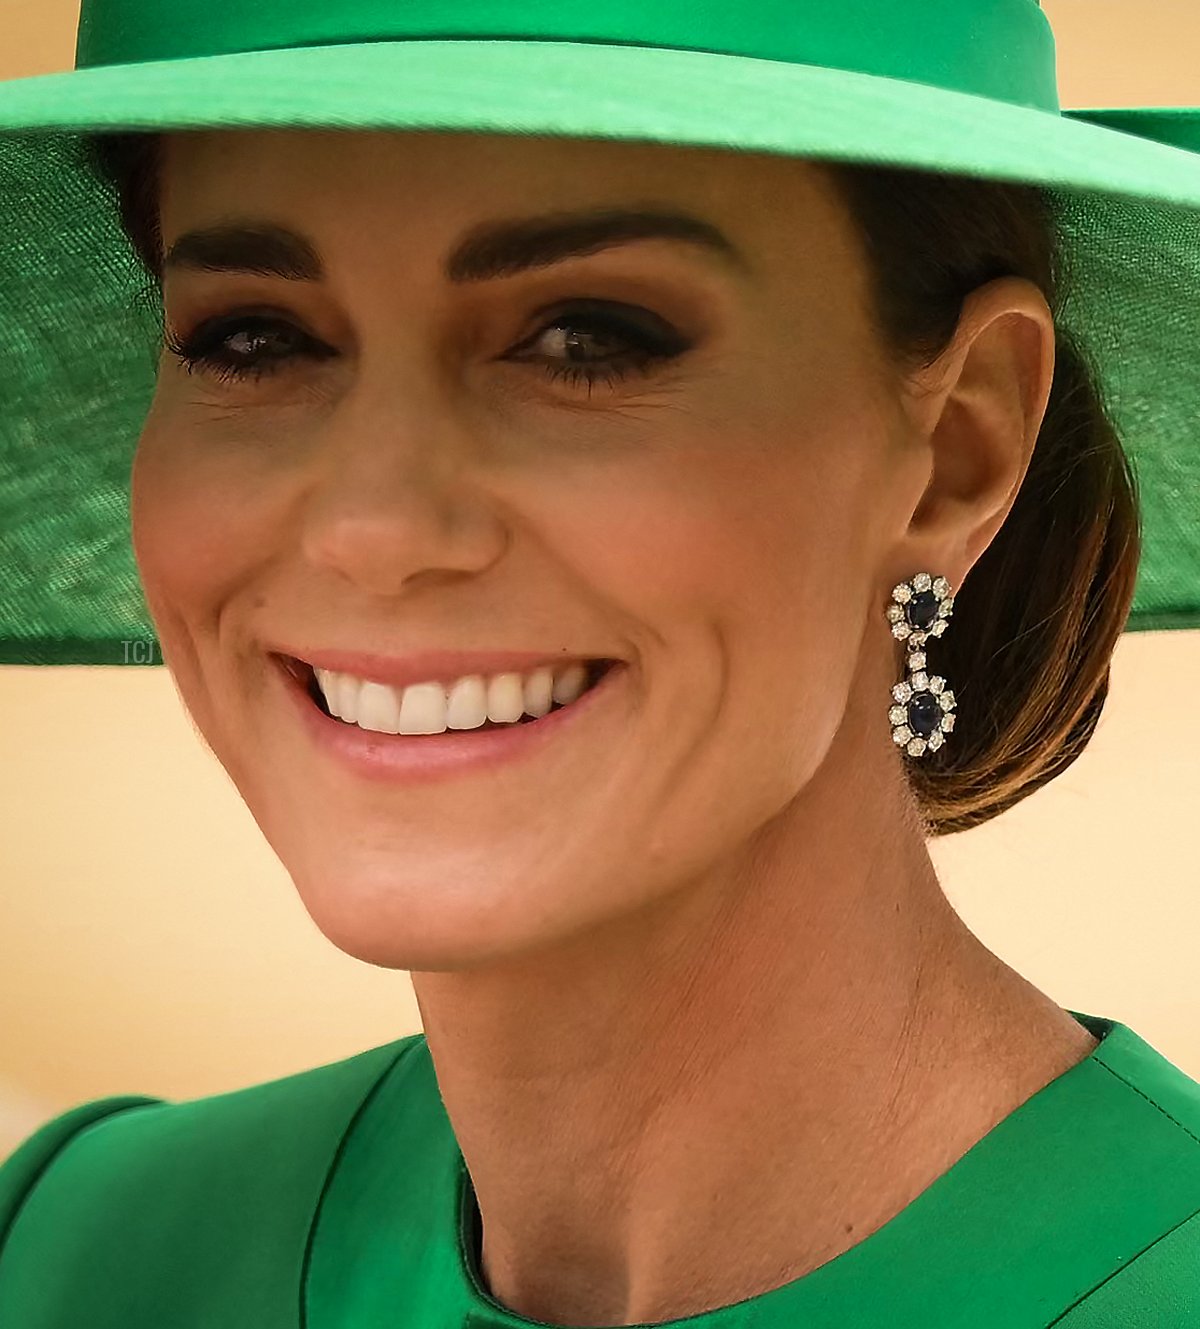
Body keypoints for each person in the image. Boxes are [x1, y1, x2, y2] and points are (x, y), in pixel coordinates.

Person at [1, 4, 1198, 1327]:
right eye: (255, 338)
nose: (374, 528)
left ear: (959, 446)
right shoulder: (76, 1252)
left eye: (583, 338)